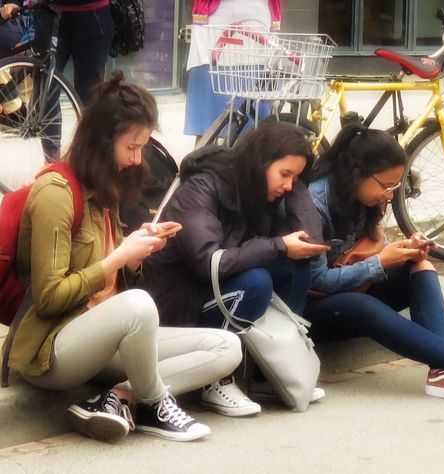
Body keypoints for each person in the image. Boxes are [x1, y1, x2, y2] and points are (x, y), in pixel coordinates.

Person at [2, 71, 243, 443]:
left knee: (226, 347)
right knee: (140, 304)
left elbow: (111, 289)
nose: (136, 159)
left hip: (102, 340)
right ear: (101, 142)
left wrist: (132, 256)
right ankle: (157, 404)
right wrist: (118, 258)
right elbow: (49, 299)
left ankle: (120, 396)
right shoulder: (56, 191)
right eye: (131, 147)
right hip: (51, 350)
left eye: (142, 147)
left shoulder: (104, 188)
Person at [138, 122, 328, 414]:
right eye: (285, 174)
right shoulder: (201, 187)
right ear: (259, 163)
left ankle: (270, 372)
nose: (288, 185)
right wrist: (277, 245)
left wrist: (296, 187)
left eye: (296, 178)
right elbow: (207, 263)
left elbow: (312, 243)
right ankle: (214, 380)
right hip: (177, 304)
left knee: (295, 268)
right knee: (257, 281)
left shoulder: (259, 190)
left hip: (211, 290)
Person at [303, 124, 444, 401]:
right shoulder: (314, 202)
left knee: (419, 267)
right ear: (357, 173)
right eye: (386, 185)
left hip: (346, 285)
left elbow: (363, 251)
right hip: (308, 308)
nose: (391, 194)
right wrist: (380, 262)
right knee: (364, 306)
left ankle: (442, 372)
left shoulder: (361, 196)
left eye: (396, 185)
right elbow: (316, 280)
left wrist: (406, 250)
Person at [184, 0, 281, 142]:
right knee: (208, 122)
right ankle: (204, 160)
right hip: (215, 21)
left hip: (257, 24)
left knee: (256, 125)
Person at [3, 0, 114, 105]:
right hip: (50, 13)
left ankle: (92, 124)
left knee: (90, 93)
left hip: (93, 15)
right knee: (45, 90)